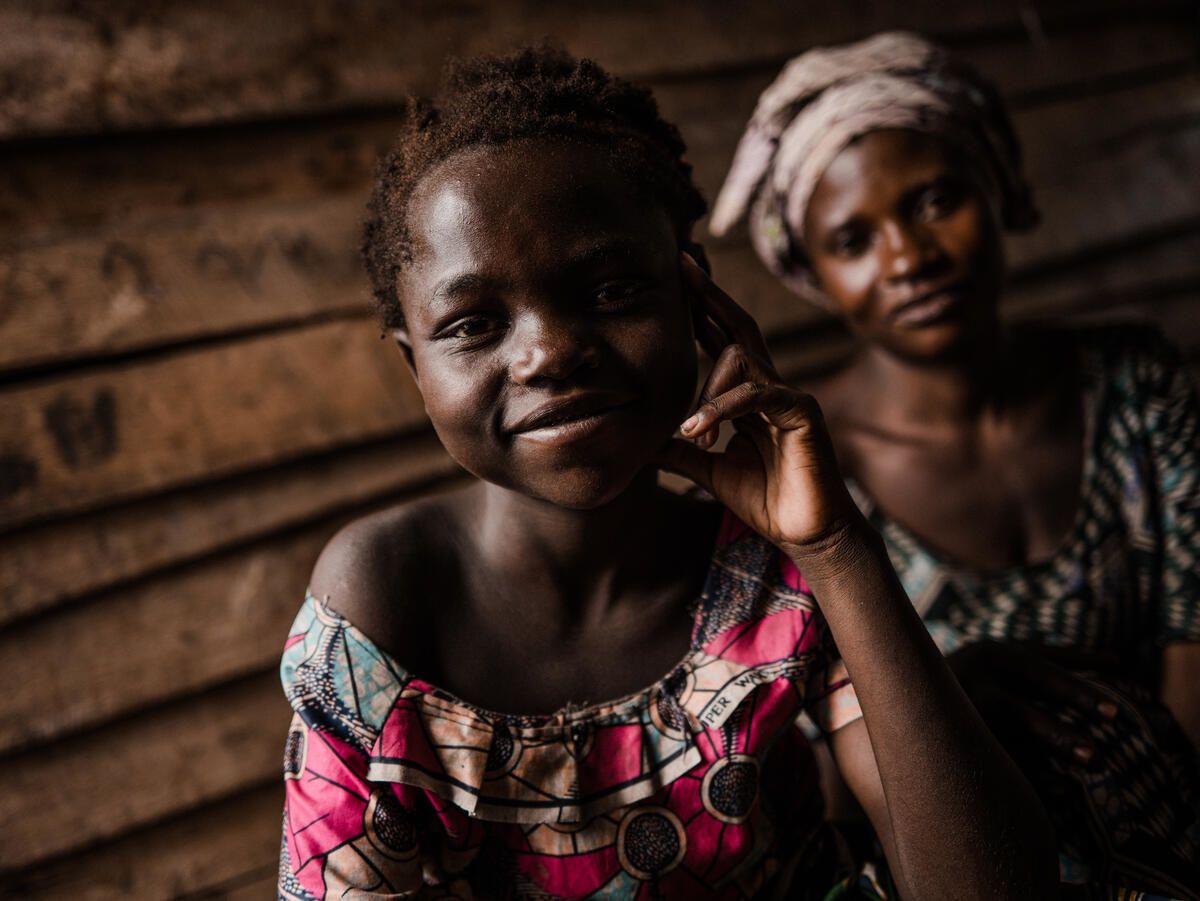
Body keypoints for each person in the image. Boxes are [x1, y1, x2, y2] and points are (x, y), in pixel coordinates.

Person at [276, 46, 1058, 900]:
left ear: (697, 299)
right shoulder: (385, 596)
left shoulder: (769, 566)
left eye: (612, 291)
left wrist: (835, 547)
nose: (548, 353)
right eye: (474, 323)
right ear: (413, 365)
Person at [711, 31, 1200, 897]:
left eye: (936, 200)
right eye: (854, 240)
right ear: (814, 270)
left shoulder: (1137, 386)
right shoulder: (807, 481)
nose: (909, 258)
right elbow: (847, 803)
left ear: (996, 185)